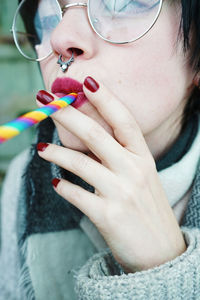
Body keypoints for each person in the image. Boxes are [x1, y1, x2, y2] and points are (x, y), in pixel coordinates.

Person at [1, 0, 200, 299]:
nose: (61, 37)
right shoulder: (26, 181)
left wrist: (164, 271)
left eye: (122, 4)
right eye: (50, 10)